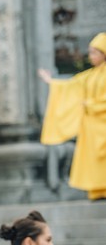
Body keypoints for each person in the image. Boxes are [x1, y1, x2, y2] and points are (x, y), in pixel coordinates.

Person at [39, 33, 106, 201]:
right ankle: (97, 190)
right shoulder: (90, 75)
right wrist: (51, 81)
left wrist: (91, 105)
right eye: (90, 52)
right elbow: (71, 86)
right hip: (91, 125)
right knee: (92, 158)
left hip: (102, 123)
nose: (91, 56)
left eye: (94, 53)